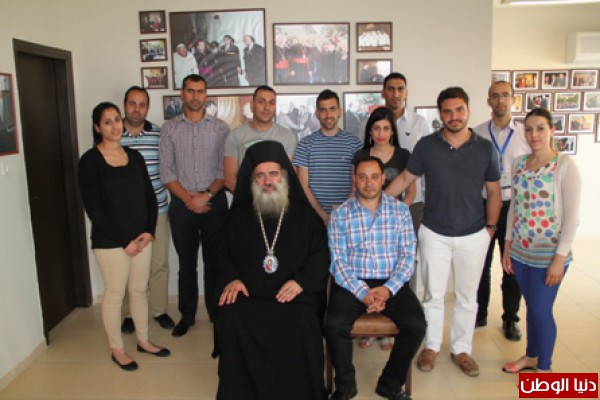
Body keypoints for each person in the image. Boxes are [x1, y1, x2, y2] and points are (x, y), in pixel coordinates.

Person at [385, 87, 501, 377]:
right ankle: (431, 346)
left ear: (468, 110)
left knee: (467, 297)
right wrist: (376, 202)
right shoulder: (426, 146)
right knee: (433, 294)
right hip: (434, 232)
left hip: (473, 233)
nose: (454, 116)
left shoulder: (485, 148)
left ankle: (461, 350)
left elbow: (494, 191)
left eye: (459, 110)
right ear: (440, 114)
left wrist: (490, 229)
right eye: (447, 111)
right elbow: (405, 178)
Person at [214, 140, 329, 400]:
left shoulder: (305, 215)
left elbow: (321, 254)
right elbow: (219, 253)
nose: (268, 181)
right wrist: (232, 278)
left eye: (273, 173)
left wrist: (301, 282)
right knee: (232, 316)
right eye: (260, 175)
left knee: (303, 321)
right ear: (252, 180)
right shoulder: (238, 216)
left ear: (284, 176)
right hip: (249, 295)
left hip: (293, 296)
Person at [79, 102, 170, 371]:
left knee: (139, 291)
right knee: (115, 294)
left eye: (117, 120)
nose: (115, 126)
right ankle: (117, 349)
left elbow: (150, 198)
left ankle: (143, 341)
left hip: (140, 239)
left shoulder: (135, 156)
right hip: (110, 242)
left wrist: (148, 232)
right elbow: (94, 209)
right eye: (107, 122)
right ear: (97, 128)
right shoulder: (90, 161)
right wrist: (124, 242)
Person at [326, 156, 426, 400]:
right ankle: (346, 386)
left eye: (373, 177)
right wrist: (362, 292)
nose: (368, 183)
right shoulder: (340, 214)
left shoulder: (400, 211)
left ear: (383, 179)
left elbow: (407, 256)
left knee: (416, 324)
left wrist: (387, 290)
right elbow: (338, 262)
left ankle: (390, 384)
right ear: (354, 179)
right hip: (352, 282)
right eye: (362, 177)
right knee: (334, 324)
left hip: (391, 282)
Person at [501, 108, 581, 374]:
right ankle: (531, 356)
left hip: (550, 255)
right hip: (522, 252)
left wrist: (559, 258)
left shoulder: (565, 166)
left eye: (540, 128)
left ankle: (544, 370)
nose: (533, 134)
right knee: (531, 307)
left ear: (552, 130)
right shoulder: (519, 164)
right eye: (529, 129)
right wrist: (508, 246)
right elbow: (514, 208)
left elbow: (572, 218)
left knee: (540, 309)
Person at [160, 74, 229, 337]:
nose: (195, 96)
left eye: (200, 91)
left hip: (215, 203)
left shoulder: (220, 128)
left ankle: (216, 312)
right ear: (182, 94)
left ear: (205, 94)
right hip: (182, 204)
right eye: (190, 91)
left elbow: (224, 170)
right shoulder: (170, 128)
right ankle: (187, 315)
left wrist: (206, 195)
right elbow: (167, 172)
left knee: (215, 262)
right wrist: (190, 199)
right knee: (186, 264)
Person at [473, 81, 530, 340]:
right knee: (480, 264)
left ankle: (510, 319)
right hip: (483, 205)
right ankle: (479, 314)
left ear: (513, 99)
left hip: (514, 206)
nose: (500, 100)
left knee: (511, 266)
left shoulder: (525, 134)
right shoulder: (478, 133)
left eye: (505, 95)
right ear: (488, 101)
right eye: (495, 96)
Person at [119, 86, 174, 334]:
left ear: (147, 108)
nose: (136, 109)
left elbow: (168, 169)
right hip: (126, 215)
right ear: (125, 105)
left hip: (158, 210)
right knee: (128, 266)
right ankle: (129, 314)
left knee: (159, 263)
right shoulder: (113, 134)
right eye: (132, 104)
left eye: (142, 105)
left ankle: (159, 310)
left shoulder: (159, 134)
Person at [292, 89, 362, 225]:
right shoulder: (305, 144)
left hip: (348, 218)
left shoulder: (355, 144)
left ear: (340, 111)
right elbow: (303, 186)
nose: (328, 114)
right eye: (323, 110)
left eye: (332, 109)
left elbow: (357, 183)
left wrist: (342, 214)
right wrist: (324, 217)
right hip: (314, 218)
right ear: (317, 114)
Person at [381, 72, 430, 232]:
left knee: (411, 245)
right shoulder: (370, 122)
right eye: (391, 89)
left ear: (406, 92)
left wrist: (427, 198)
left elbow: (427, 164)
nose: (396, 94)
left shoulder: (419, 123)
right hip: (380, 200)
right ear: (383, 93)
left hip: (414, 200)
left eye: (400, 89)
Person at [224, 85, 297, 192]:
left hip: (278, 199)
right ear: (252, 106)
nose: (266, 107)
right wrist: (249, 199)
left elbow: (289, 177)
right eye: (261, 102)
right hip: (246, 200)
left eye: (271, 102)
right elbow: (230, 179)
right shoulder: (235, 136)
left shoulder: (287, 136)